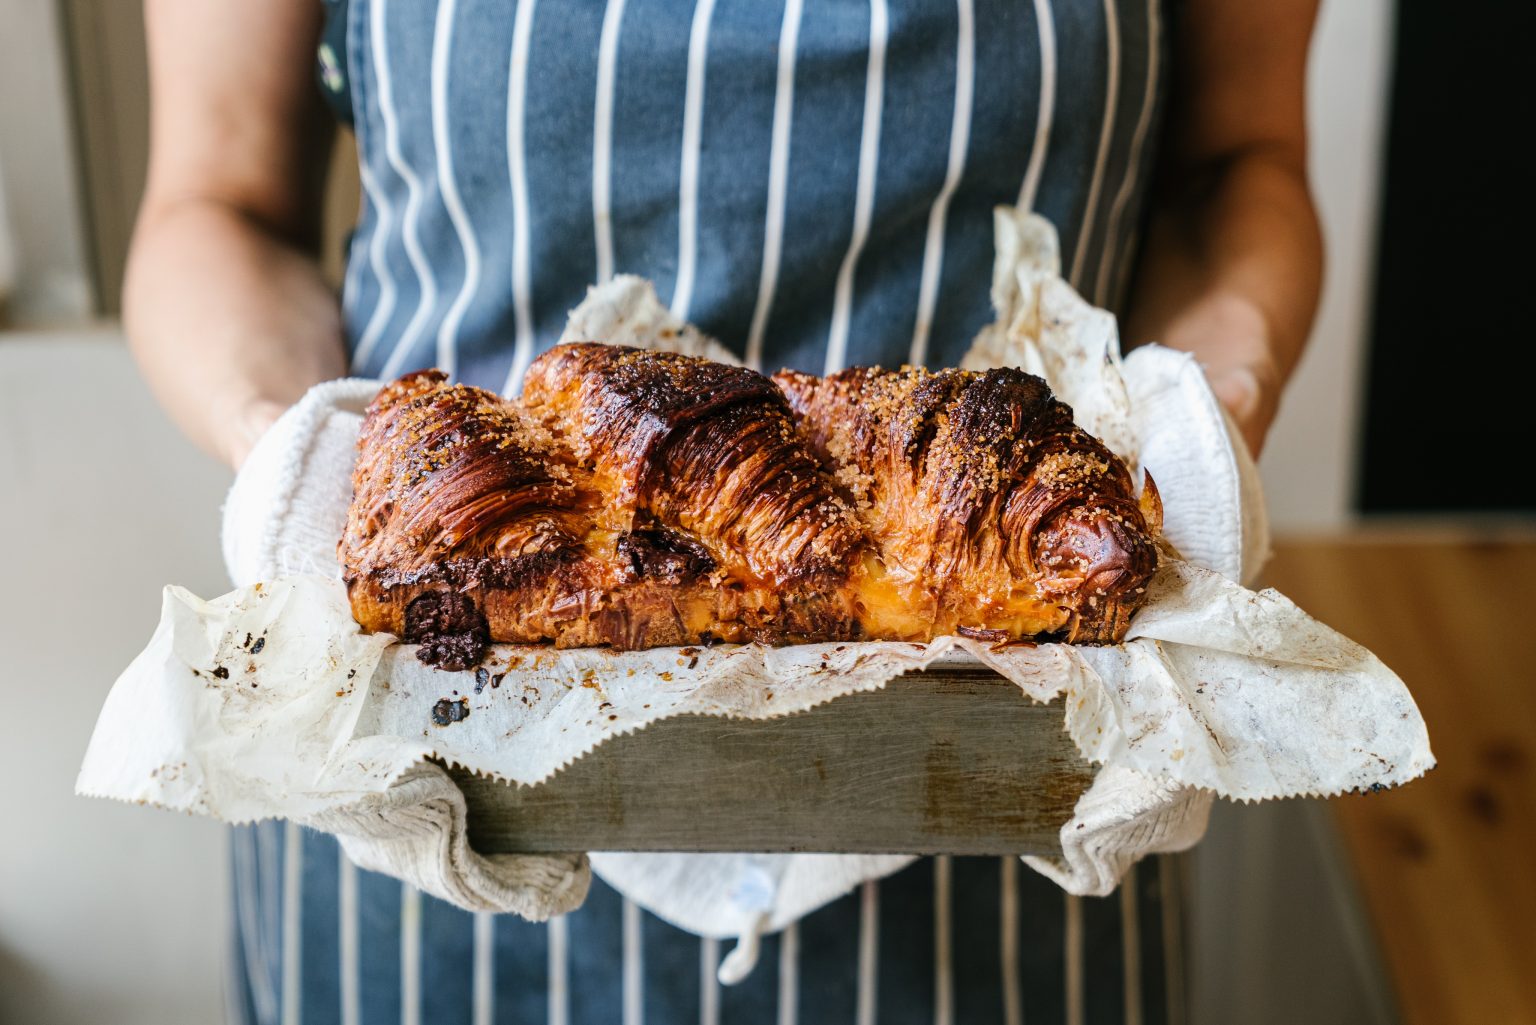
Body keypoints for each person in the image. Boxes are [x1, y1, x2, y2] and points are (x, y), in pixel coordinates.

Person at [124, 0, 1323, 1021]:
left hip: (1019, 832)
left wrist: (1211, 419)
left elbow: (1240, 167)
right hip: (426, 787)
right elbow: (216, 201)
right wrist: (289, 456)